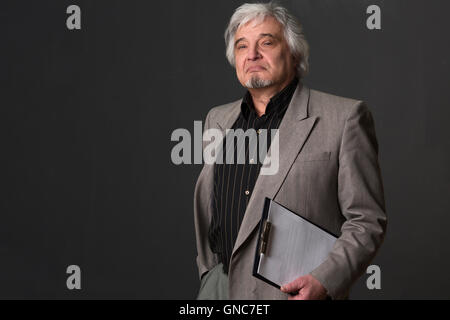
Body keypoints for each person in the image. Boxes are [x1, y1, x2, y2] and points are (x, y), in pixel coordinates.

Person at [193, 2, 387, 300]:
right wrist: (209, 277)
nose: (252, 54)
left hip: (293, 293)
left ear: (295, 52)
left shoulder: (345, 118)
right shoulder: (217, 120)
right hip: (218, 290)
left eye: (266, 42)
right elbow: (210, 211)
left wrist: (324, 281)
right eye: (242, 46)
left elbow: (366, 220)